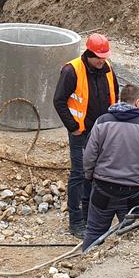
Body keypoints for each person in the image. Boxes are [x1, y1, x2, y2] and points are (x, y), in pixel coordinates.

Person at [52, 33, 119, 238]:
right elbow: (59, 101)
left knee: (96, 174)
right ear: (89, 53)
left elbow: (115, 95)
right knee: (79, 174)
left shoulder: (107, 69)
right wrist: (73, 127)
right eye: (99, 57)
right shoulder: (72, 71)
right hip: (81, 132)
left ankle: (91, 216)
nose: (102, 60)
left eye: (104, 56)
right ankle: (76, 221)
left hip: (102, 132)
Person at [82, 84, 139, 251]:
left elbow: (89, 154)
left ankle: (84, 269)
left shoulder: (102, 122)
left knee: (94, 231)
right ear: (138, 102)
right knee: (130, 235)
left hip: (103, 188)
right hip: (132, 192)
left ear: (120, 99)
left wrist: (89, 176)